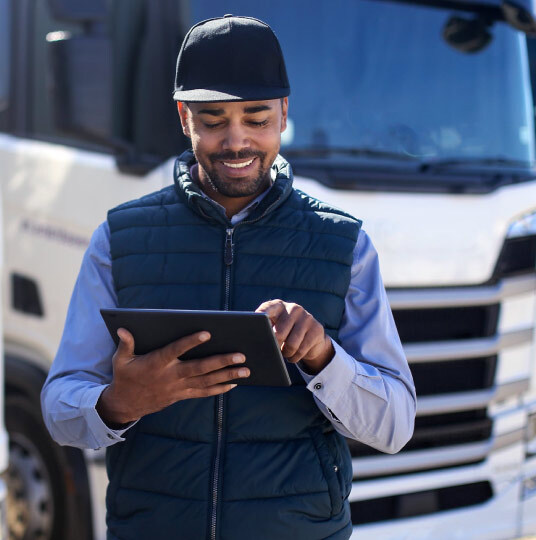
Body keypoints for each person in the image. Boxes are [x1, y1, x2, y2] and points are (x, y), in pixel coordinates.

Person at [40, 15, 416, 540]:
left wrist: (323, 358)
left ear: (284, 114)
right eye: (213, 120)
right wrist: (120, 403)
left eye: (256, 118)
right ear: (183, 117)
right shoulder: (119, 238)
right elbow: (60, 408)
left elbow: (395, 426)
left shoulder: (344, 245)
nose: (236, 142)